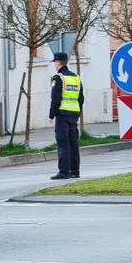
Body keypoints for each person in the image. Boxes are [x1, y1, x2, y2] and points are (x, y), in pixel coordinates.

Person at [49, 52, 84, 180]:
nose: (54, 64)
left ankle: (63, 172)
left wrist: (51, 115)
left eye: (55, 62)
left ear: (58, 63)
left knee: (63, 143)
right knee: (73, 143)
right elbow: (81, 98)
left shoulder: (58, 78)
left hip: (62, 115)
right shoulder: (76, 78)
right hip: (73, 115)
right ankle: (75, 171)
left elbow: (55, 98)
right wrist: (78, 113)